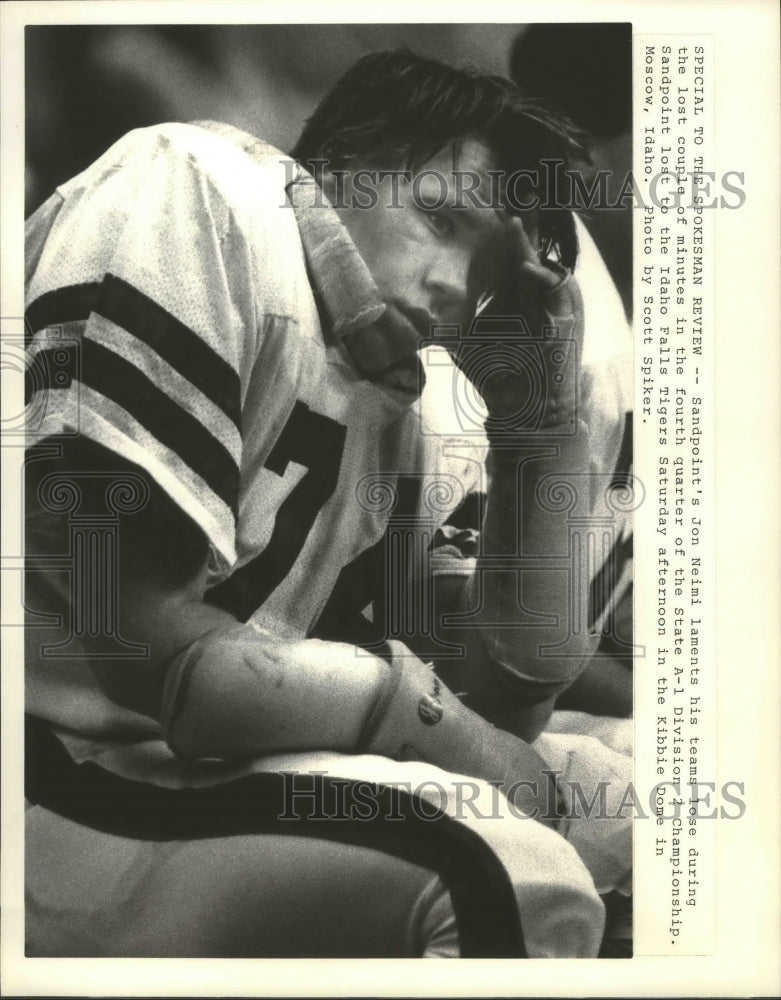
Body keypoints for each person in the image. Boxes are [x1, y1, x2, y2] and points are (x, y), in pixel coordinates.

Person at [23, 51, 630, 958]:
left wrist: (535, 428)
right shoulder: (196, 189)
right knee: (501, 872)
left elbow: (503, 712)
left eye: (486, 260)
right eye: (437, 216)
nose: (456, 286)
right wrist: (425, 722)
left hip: (190, 765)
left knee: (655, 810)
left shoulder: (408, 390)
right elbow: (136, 637)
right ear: (337, 162)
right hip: (53, 759)